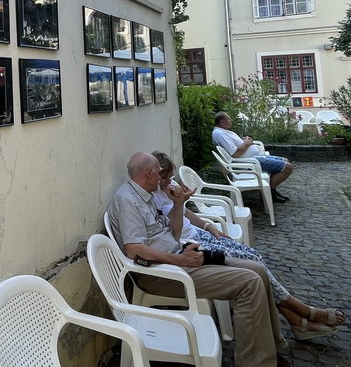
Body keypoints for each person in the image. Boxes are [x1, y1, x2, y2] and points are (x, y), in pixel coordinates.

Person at [108, 151, 290, 367]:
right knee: (249, 283)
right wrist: (181, 260)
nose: (161, 177)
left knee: (257, 269)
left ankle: (268, 347)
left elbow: (173, 235)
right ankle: (256, 362)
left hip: (178, 258)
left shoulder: (146, 196)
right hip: (162, 273)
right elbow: (134, 250)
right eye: (158, 172)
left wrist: (178, 204)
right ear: (148, 173)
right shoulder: (128, 200)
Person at [152, 151, 345, 340]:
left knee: (254, 256)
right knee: (253, 263)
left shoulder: (167, 189)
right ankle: (300, 312)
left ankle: (296, 319)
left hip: (199, 233)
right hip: (190, 244)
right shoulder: (152, 199)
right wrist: (178, 203)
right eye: (164, 178)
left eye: (170, 177)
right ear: (153, 176)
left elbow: (186, 213)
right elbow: (172, 230)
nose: (169, 181)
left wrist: (208, 226)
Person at [213, 111, 294, 202]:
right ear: (222, 122)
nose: (231, 120)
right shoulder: (219, 134)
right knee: (287, 167)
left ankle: (271, 190)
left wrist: (246, 141)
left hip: (254, 158)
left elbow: (236, 146)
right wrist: (247, 143)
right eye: (229, 119)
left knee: (285, 160)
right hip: (250, 162)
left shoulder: (223, 132)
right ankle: (270, 192)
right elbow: (235, 153)